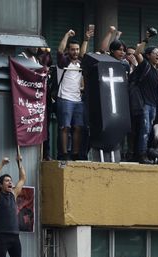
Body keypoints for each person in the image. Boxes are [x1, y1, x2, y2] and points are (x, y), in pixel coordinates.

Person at [55, 28, 90, 160]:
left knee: (78, 127)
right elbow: (59, 51)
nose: (75, 52)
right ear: (68, 50)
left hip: (77, 100)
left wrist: (86, 39)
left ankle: (75, 154)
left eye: (77, 49)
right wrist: (66, 35)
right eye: (72, 49)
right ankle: (64, 154)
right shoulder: (63, 62)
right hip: (64, 99)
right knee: (65, 127)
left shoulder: (80, 62)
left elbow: (83, 54)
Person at [129, 46, 158, 163]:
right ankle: (141, 155)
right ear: (148, 55)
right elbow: (137, 53)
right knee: (144, 130)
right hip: (144, 104)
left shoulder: (157, 71)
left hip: (153, 105)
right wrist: (147, 39)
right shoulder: (145, 66)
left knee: (148, 131)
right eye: (155, 53)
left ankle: (144, 153)